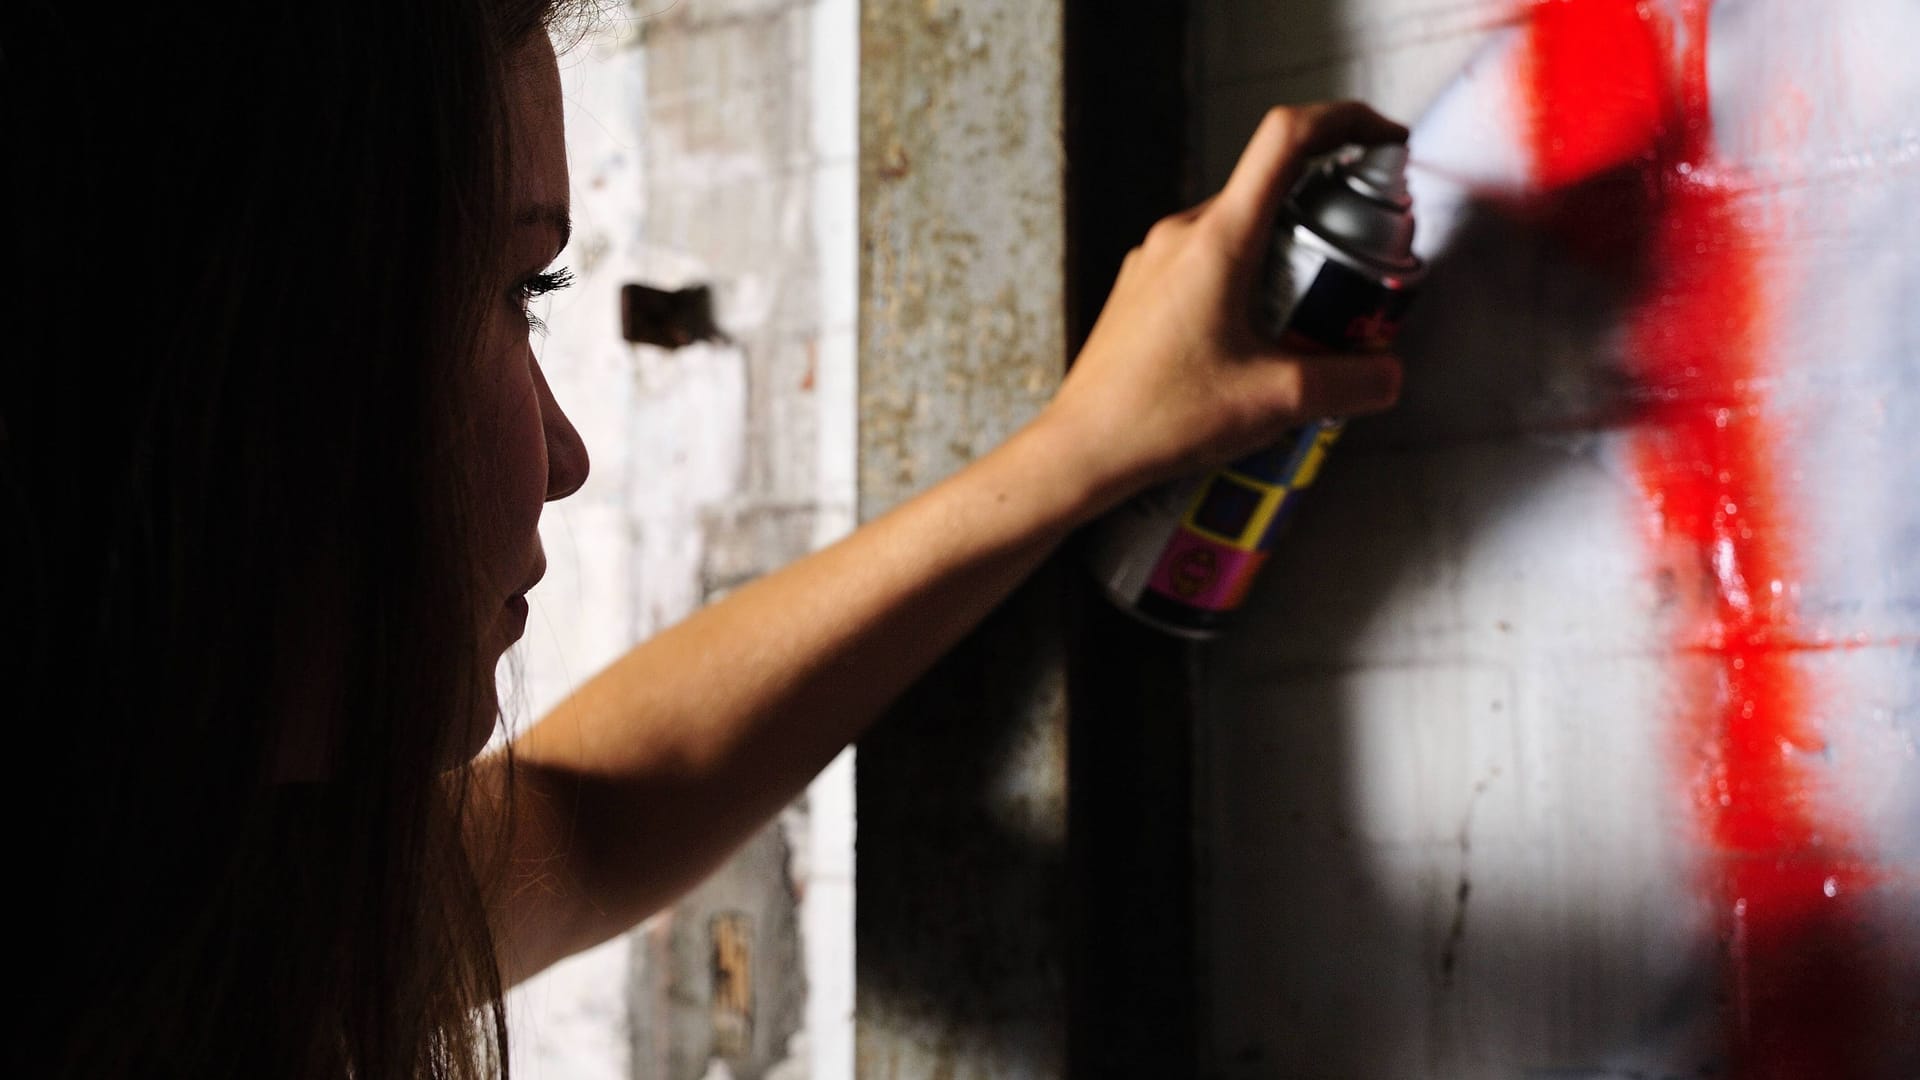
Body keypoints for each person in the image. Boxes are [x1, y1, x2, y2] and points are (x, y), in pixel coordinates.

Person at [3, 2, 1404, 1076]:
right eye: (514, 292)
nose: (566, 456)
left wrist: (1079, 451)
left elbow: (607, 805)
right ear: (237, 357)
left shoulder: (216, 900)